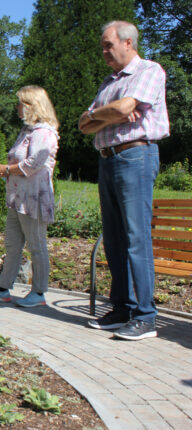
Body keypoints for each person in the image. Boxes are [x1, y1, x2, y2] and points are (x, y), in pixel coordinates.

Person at [78, 21, 168, 341]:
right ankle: (122, 307)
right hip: (107, 159)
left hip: (135, 157)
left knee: (136, 237)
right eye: (103, 46)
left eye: (108, 45)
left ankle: (145, 316)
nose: (104, 51)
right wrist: (110, 112)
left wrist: (103, 113)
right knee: (114, 238)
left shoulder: (149, 71)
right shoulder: (108, 82)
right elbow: (83, 124)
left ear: (128, 43)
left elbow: (127, 107)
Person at [0, 86, 60, 307]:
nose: (17, 107)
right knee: (12, 245)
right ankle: (3, 288)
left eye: (20, 103)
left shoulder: (44, 133)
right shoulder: (27, 131)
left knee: (36, 245)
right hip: (17, 198)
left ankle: (39, 292)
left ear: (32, 106)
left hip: (33, 198)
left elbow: (33, 164)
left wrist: (7, 169)